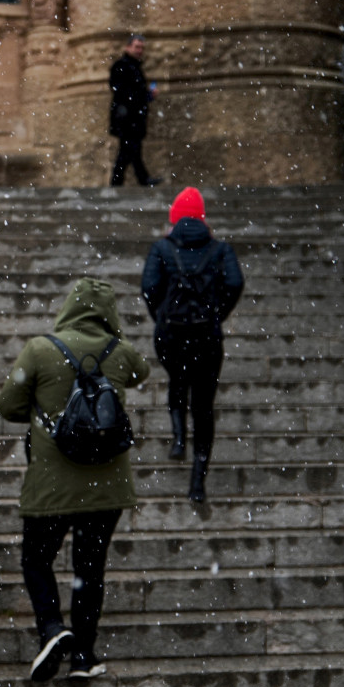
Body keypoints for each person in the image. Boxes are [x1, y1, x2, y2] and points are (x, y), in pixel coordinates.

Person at [0, 278, 149, 682]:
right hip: (108, 484)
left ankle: (51, 627)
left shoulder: (40, 349)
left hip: (51, 482)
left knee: (36, 559)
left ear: (69, 307)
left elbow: (8, 404)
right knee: (90, 568)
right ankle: (83, 654)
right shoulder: (121, 353)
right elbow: (141, 371)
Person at [141, 187, 244, 503]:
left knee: (177, 379)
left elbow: (148, 287)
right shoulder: (220, 249)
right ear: (202, 219)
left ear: (173, 219)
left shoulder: (161, 248)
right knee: (203, 407)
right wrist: (217, 313)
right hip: (206, 337)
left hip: (171, 335)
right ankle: (197, 483)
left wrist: (161, 315)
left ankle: (177, 437)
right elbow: (235, 283)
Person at [109, 34, 162, 188]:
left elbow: (132, 92)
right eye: (137, 47)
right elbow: (121, 90)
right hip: (126, 118)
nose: (140, 50)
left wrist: (147, 96)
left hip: (133, 117)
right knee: (131, 150)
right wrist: (144, 95)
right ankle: (142, 179)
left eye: (142, 48)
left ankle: (117, 183)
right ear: (128, 47)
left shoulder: (134, 67)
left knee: (126, 152)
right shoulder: (122, 66)